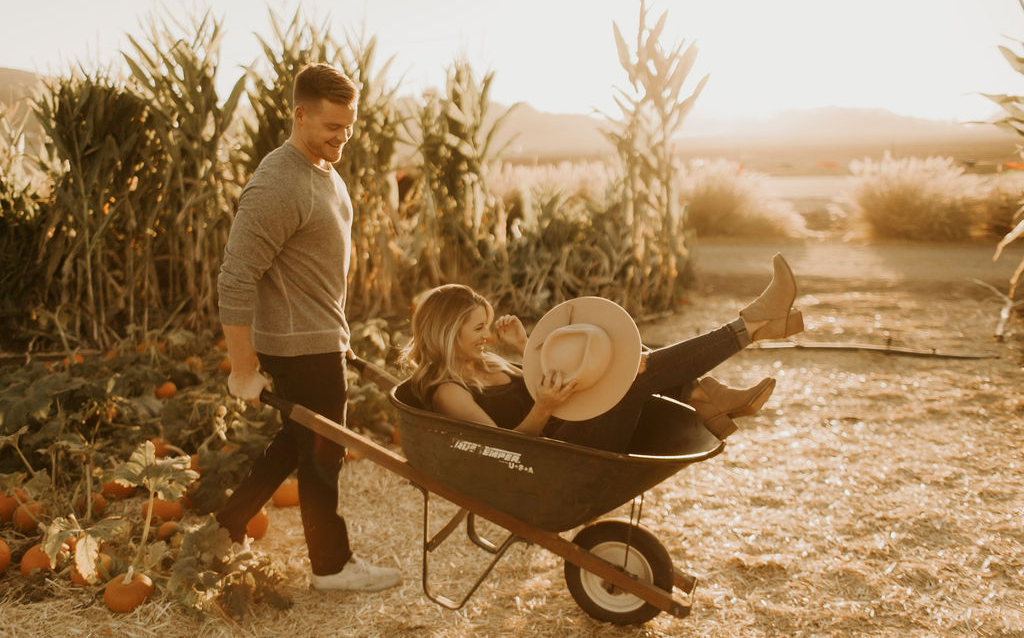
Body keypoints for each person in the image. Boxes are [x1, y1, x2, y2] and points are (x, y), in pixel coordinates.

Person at [215, 63, 400, 592]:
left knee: (297, 444)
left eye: (349, 125)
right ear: (299, 114)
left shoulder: (323, 168)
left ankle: (227, 527)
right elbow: (235, 279)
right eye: (331, 126)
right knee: (322, 455)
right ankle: (331, 567)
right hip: (300, 347)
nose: (342, 137)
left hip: (322, 336)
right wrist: (243, 369)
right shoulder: (277, 183)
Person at [401, 254, 804, 453]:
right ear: (447, 332)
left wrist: (524, 348)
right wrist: (542, 409)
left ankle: (723, 367)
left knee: (620, 354)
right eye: (477, 328)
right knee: (627, 373)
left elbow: (546, 382)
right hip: (557, 456)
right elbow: (501, 451)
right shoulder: (448, 391)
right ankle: (745, 336)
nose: (487, 335)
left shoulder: (485, 362)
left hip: (571, 430)